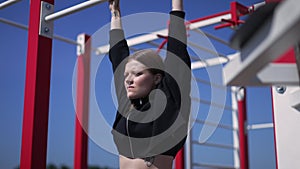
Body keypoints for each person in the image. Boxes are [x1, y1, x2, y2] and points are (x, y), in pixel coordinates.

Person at [108, 0, 191, 168]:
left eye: (138, 74)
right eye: (127, 75)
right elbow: (117, 53)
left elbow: (177, 47)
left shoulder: (169, 99)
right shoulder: (127, 105)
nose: (129, 79)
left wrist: (176, 5)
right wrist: (115, 12)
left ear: (157, 78)